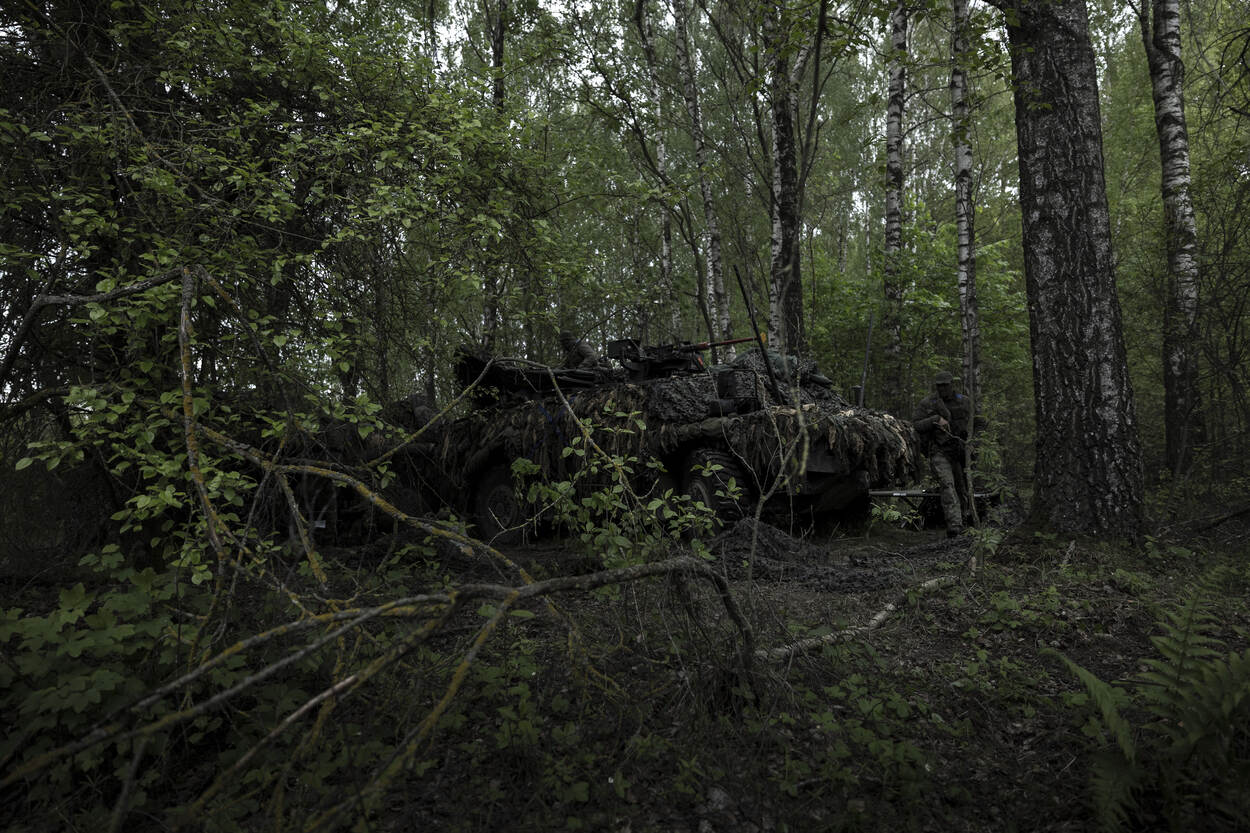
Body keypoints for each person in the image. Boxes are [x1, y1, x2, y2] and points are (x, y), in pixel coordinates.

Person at [912, 370, 975, 536]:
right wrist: (934, 420)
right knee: (947, 485)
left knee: (963, 488)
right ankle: (955, 527)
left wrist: (975, 443)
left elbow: (978, 422)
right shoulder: (928, 403)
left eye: (945, 385)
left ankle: (966, 520)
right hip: (939, 450)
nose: (943, 389)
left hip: (960, 451)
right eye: (939, 386)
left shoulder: (964, 401)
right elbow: (916, 424)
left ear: (951, 384)